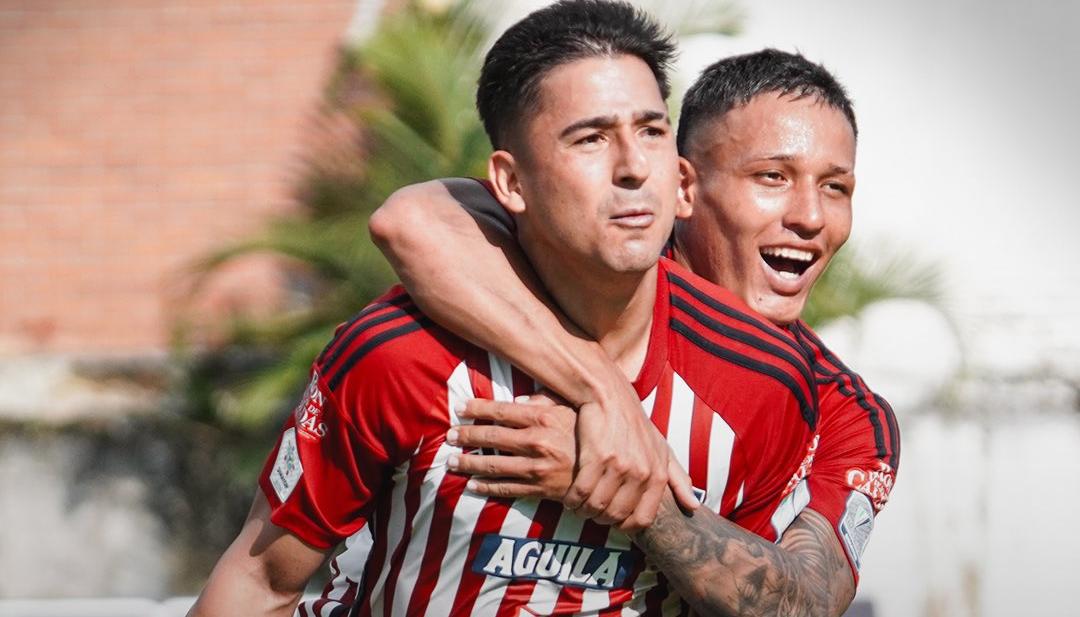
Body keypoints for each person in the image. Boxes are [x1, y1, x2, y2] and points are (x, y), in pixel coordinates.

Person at [188, 2, 818, 615]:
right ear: (511, 184)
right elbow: (261, 581)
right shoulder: (399, 357)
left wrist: (645, 502)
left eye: (651, 131)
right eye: (591, 138)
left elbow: (785, 604)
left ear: (682, 182)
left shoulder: (762, 380)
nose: (632, 167)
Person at [362, 49, 900, 616]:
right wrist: (607, 392)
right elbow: (412, 220)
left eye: (836, 188)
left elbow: (810, 605)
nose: (811, 216)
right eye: (773, 177)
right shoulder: (582, 257)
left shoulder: (847, 414)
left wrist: (635, 487)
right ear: (683, 185)